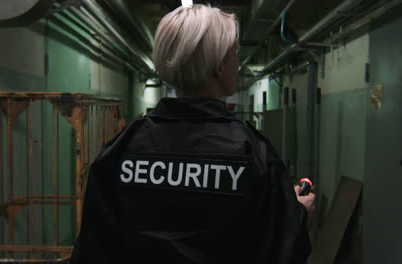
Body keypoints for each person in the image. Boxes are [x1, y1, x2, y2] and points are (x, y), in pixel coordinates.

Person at [70, 4, 315, 264]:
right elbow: (281, 252)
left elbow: (93, 250)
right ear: (220, 66)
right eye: (234, 54)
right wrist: (297, 212)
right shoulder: (253, 152)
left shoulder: (121, 149)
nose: (238, 62)